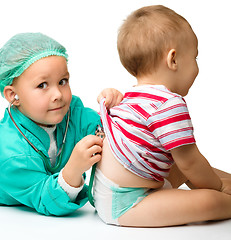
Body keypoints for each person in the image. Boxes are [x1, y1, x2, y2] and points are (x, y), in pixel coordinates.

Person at [92, 5, 231, 227]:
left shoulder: (134, 97)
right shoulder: (167, 104)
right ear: (173, 60)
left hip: (112, 191)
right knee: (209, 200)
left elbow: (186, 165)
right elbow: (190, 162)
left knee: (184, 167)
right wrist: (218, 188)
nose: (197, 67)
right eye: (195, 57)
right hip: (129, 202)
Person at [0, 32, 123, 216]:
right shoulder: (8, 152)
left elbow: (104, 129)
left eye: (62, 81)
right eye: (42, 85)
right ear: (13, 95)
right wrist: (73, 170)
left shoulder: (70, 112)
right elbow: (45, 200)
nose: (58, 95)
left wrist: (114, 109)